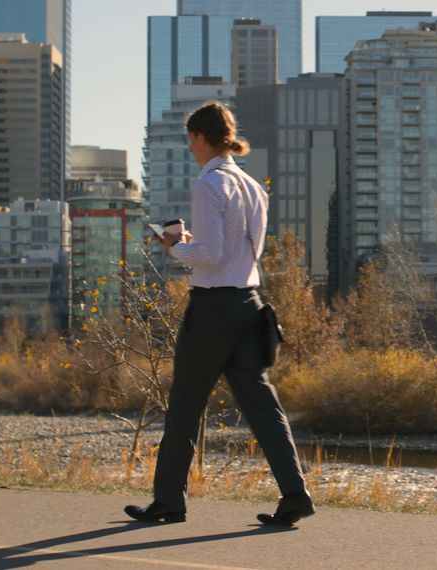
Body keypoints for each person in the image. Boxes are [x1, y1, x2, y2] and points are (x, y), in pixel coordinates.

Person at [124, 101, 314, 526]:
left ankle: (169, 501)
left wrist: (176, 246)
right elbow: (245, 251)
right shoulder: (252, 187)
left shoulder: (208, 185)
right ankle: (295, 493)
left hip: (212, 308)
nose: (190, 148)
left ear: (200, 137)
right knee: (263, 404)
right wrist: (196, 244)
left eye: (190, 140)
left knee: (187, 402)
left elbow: (207, 255)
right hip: (249, 303)